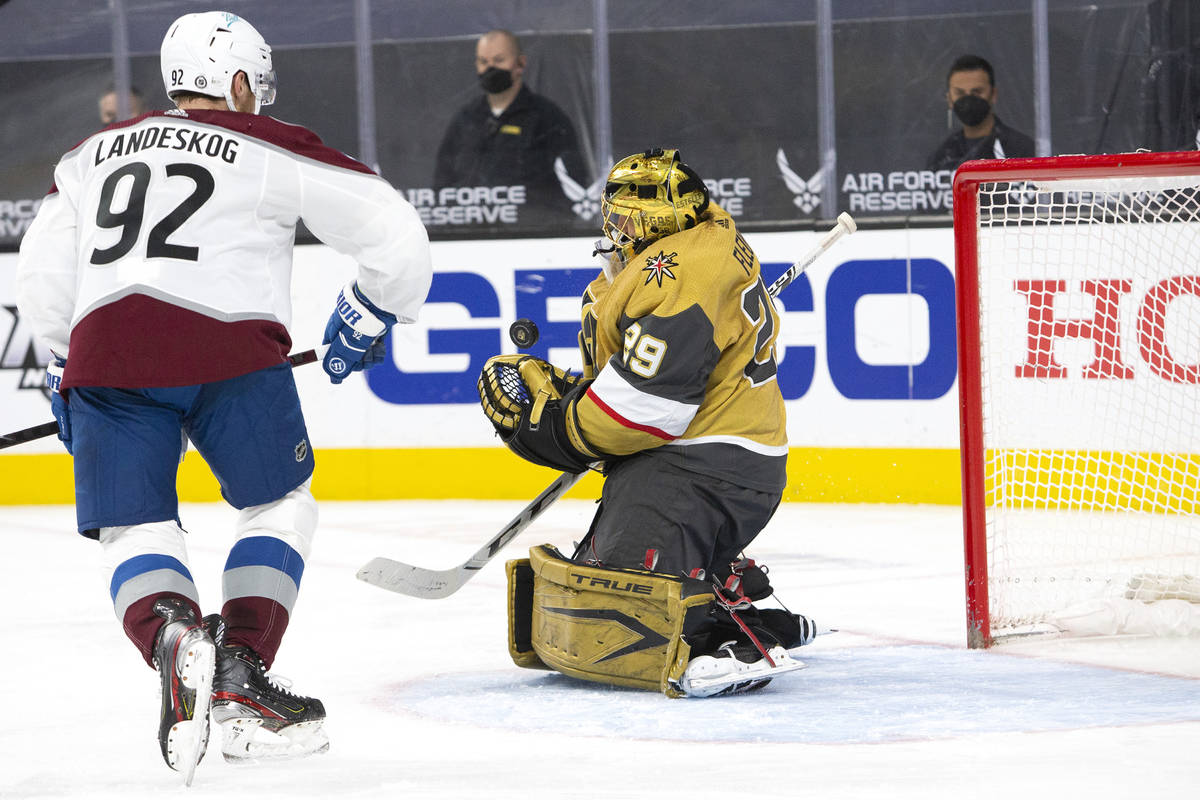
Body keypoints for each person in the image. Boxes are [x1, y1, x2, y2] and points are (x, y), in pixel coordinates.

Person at [15, 11, 431, 779]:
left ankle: (171, 634)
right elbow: (394, 229)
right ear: (237, 81)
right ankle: (240, 673)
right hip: (228, 347)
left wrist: (62, 367)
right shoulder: (270, 144)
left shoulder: (88, 152)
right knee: (279, 503)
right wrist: (376, 305)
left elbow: (42, 273)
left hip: (106, 353)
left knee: (133, 528)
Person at [478, 149, 816, 698]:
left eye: (625, 217)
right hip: (707, 464)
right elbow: (640, 377)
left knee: (611, 617)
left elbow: (642, 411)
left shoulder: (685, 272)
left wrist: (549, 426)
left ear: (655, 224)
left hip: (696, 471)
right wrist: (570, 394)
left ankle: (715, 636)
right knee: (595, 581)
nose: (613, 228)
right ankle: (719, 585)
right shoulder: (693, 249)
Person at [433, 29, 589, 221]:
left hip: (534, 234)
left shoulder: (547, 118)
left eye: (499, 60)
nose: (490, 68)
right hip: (470, 233)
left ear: (520, 64)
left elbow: (573, 182)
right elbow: (442, 182)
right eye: (484, 62)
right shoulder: (465, 120)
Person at [927, 54, 1034, 172]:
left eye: (977, 92)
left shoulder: (1021, 150)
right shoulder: (942, 158)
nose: (968, 100)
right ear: (949, 99)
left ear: (993, 94)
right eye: (960, 93)